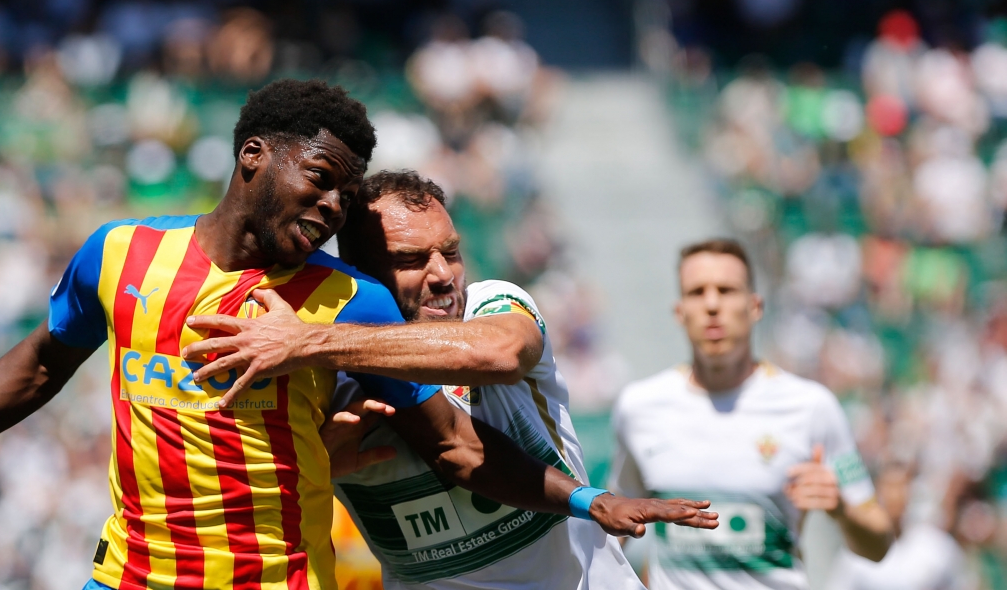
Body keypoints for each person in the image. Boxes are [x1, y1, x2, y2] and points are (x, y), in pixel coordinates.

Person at [0, 80, 697, 590]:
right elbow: (45, 360)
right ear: (253, 157)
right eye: (319, 180)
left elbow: (460, 452)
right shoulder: (120, 255)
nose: (326, 207)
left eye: (342, 200)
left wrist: (588, 501)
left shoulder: (349, 304)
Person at [182, 170, 719, 589]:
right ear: (363, 276)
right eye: (413, 259)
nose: (444, 275)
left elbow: (503, 353)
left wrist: (311, 342)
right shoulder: (325, 385)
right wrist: (316, 464)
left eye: (452, 252)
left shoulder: (496, 306)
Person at [610, 238, 893, 590]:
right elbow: (615, 529)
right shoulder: (639, 408)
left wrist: (842, 509)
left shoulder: (811, 407)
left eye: (726, 290)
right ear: (679, 312)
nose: (712, 304)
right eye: (697, 292)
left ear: (755, 306)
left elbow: (879, 545)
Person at [827, 464, 968, 590]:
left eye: (901, 487)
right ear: (877, 492)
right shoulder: (855, 555)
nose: (895, 496)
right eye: (889, 487)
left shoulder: (937, 547)